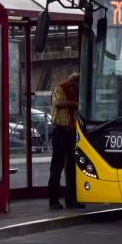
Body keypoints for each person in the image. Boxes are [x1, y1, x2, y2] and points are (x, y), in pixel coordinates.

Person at [49, 73, 83, 209]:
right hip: (60, 131)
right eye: (75, 90)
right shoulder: (60, 89)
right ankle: (54, 200)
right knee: (57, 166)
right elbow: (57, 102)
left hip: (73, 131)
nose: (76, 93)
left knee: (72, 167)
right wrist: (74, 103)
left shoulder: (77, 93)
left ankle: (71, 200)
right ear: (71, 85)